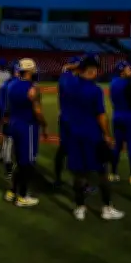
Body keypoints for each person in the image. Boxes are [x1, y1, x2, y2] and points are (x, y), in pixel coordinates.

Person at [67, 54, 124, 221]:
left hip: (74, 134)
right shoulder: (95, 90)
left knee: (79, 173)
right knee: (101, 173)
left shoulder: (70, 86)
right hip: (92, 135)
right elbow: (101, 115)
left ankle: (79, 208)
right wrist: (107, 134)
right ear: (91, 70)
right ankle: (106, 208)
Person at [3, 58, 47, 207]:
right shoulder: (32, 88)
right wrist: (44, 125)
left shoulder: (11, 84)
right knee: (27, 163)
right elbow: (37, 111)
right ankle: (22, 196)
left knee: (19, 161)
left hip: (14, 124)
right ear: (29, 71)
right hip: (27, 126)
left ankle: (12, 192)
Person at [54, 56, 81, 188]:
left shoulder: (65, 77)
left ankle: (58, 178)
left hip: (65, 117)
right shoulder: (72, 79)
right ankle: (80, 183)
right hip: (73, 119)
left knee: (63, 149)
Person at [0, 61, 19, 179]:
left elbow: (0, 103)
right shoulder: (12, 85)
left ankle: (9, 167)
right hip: (12, 118)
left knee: (9, 143)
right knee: (10, 143)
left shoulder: (6, 84)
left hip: (12, 118)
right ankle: (9, 167)